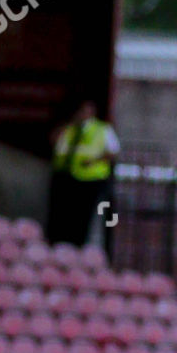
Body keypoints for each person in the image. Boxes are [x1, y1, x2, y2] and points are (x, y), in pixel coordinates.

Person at [48, 100, 119, 247]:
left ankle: (85, 246)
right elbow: (54, 142)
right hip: (68, 178)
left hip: (93, 180)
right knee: (66, 216)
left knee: (90, 217)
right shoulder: (69, 129)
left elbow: (113, 152)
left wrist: (93, 161)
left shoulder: (102, 129)